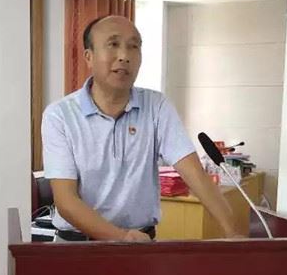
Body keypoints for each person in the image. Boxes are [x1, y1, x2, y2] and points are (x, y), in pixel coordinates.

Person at [41, 14, 240, 242]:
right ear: (89, 56)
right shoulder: (60, 115)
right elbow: (66, 201)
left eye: (133, 46)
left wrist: (232, 232)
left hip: (140, 243)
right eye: (113, 44)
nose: (124, 56)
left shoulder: (156, 106)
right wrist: (121, 237)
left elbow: (194, 173)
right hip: (77, 246)